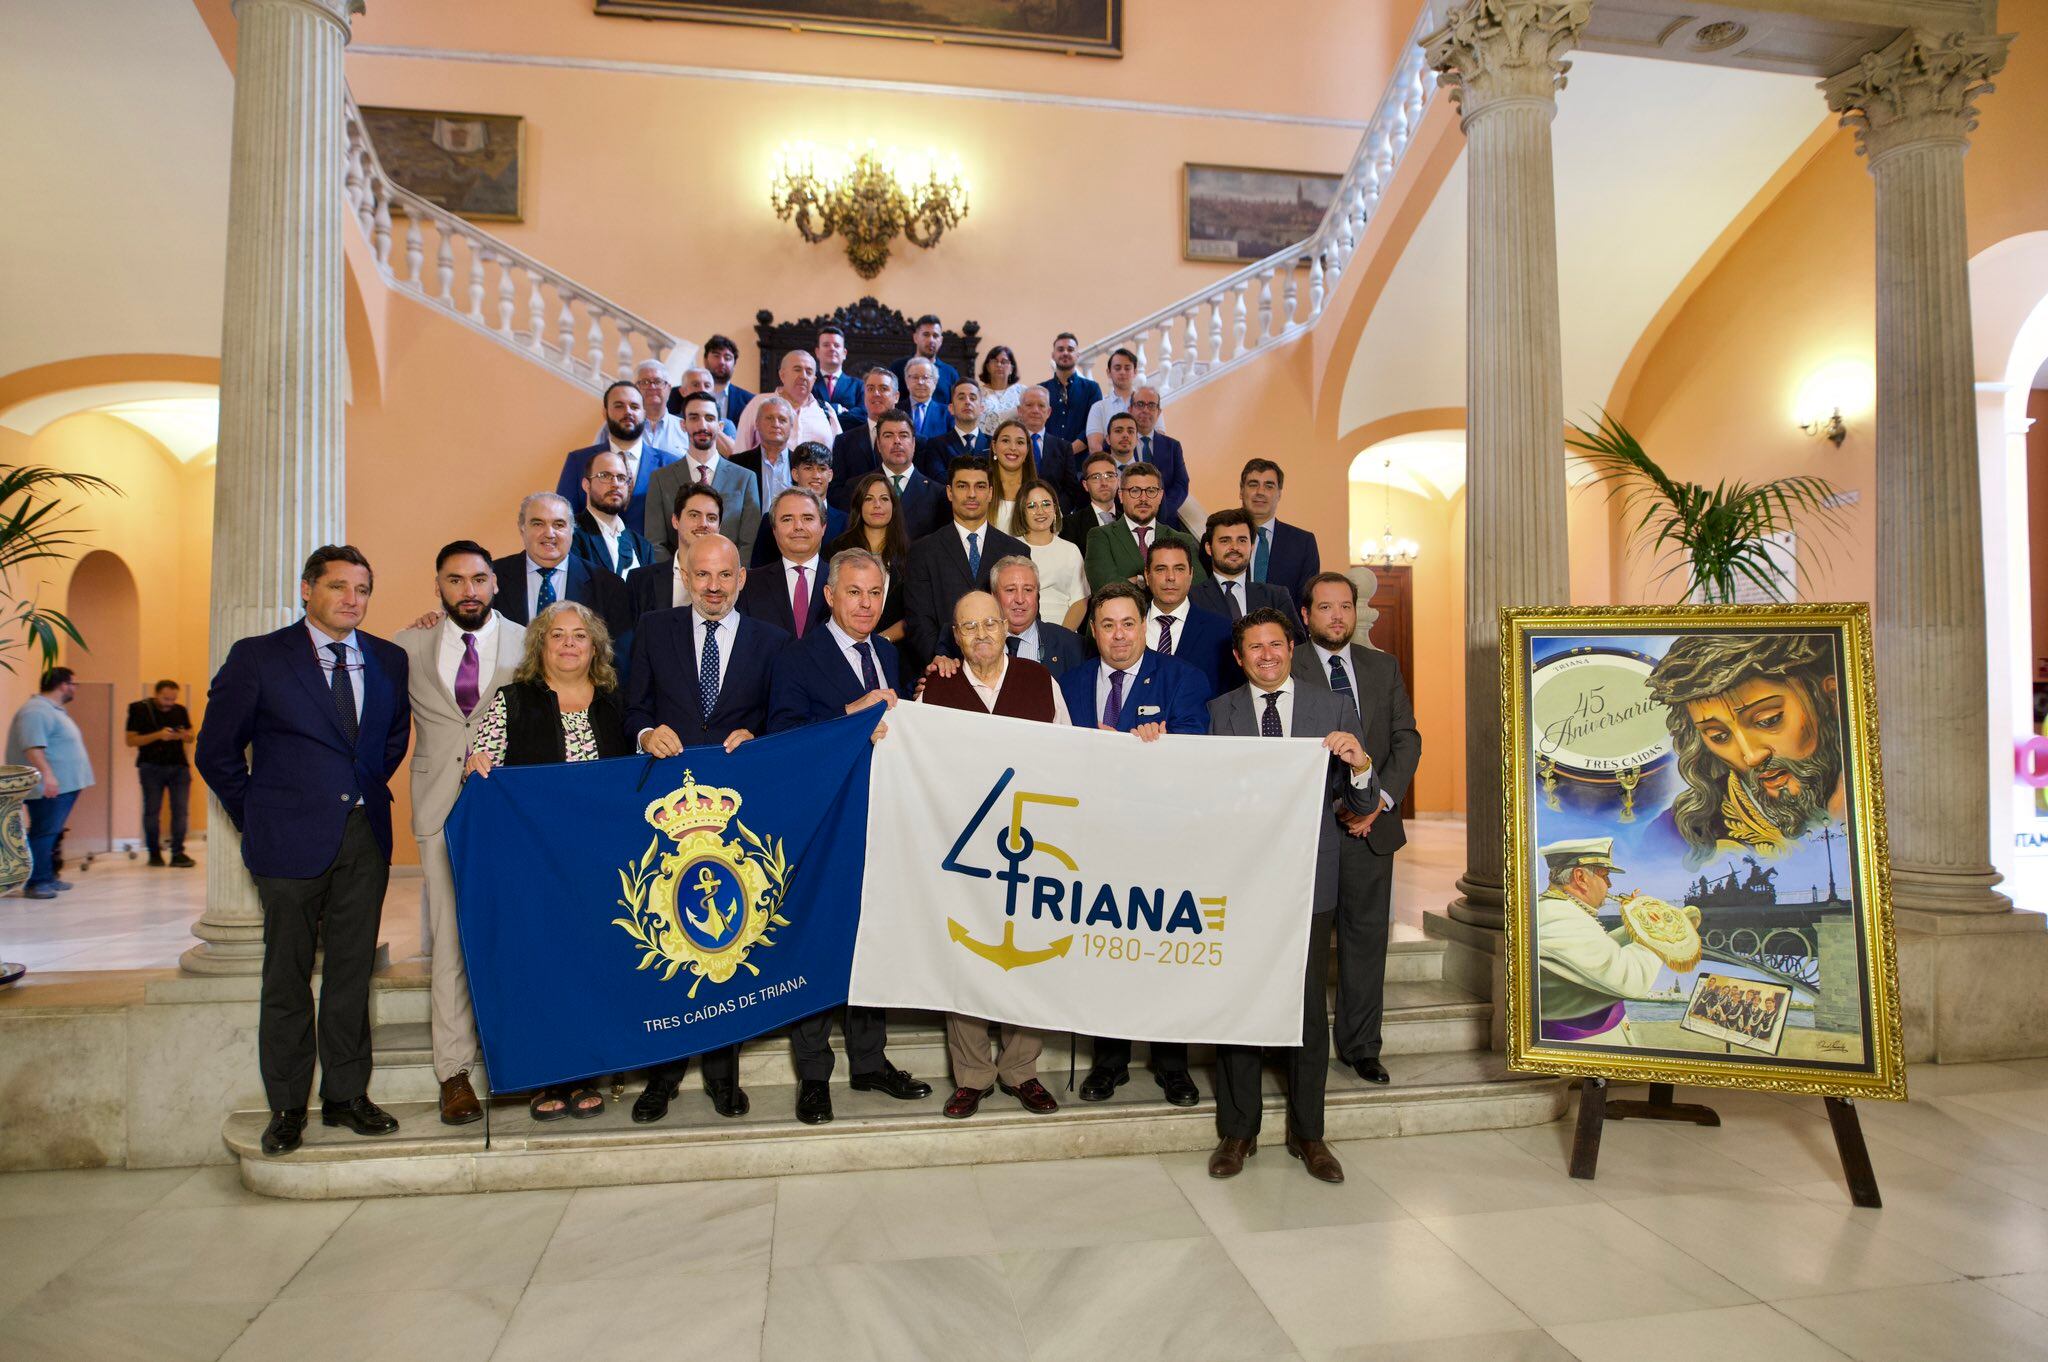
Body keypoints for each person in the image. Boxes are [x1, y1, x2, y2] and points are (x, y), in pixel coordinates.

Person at [195, 546, 411, 1157]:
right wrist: (256, 815)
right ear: (306, 590)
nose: (352, 598)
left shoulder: (388, 660)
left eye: (362, 589)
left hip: (364, 839)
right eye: (339, 586)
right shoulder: (260, 658)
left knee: (350, 973)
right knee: (286, 976)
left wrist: (360, 790)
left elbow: (390, 740)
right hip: (286, 841)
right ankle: (288, 1105)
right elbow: (215, 752)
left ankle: (346, 1097)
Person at [1206, 607, 1378, 1185]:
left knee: (1306, 1008)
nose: (1267, 655)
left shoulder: (1329, 706)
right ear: (1239, 656)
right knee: (1241, 1004)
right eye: (1254, 647)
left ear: (1290, 648)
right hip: (1242, 883)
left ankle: (1310, 1134)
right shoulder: (1218, 713)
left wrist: (1359, 768)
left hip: (1310, 881)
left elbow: (1358, 805)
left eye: (1275, 645)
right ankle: (1239, 1130)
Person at [765, 548, 933, 1123]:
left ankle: (870, 1062)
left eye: (875, 594)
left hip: (880, 820)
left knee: (872, 944)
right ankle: (814, 1075)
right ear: (830, 595)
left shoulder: (887, 651)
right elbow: (782, 738)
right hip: (822, 823)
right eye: (854, 593)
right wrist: (847, 712)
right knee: (817, 944)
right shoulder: (797, 657)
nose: (866, 604)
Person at [626, 534, 786, 1123]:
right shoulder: (653, 629)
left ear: (741, 578)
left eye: (723, 576)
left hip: (736, 813)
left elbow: (781, 717)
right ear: (685, 577)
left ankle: (724, 1077)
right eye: (701, 576)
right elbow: (633, 708)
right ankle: (660, 1079)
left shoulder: (772, 641)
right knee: (669, 931)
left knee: (728, 940)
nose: (713, 587)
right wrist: (645, 735)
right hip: (666, 814)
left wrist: (759, 739)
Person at [461, 600, 633, 1121]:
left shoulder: (616, 704)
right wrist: (477, 765)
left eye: (580, 636)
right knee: (544, 964)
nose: (568, 645)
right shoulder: (513, 701)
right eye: (557, 636)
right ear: (540, 646)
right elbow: (481, 770)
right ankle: (545, 1075)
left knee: (593, 961)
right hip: (536, 866)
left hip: (600, 864)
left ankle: (588, 1071)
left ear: (595, 647)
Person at [1059, 583, 1210, 1105]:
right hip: (1095, 838)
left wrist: (1156, 746)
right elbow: (1056, 751)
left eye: (1128, 624)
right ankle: (1110, 1062)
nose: (1118, 635)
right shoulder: (1071, 682)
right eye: (1107, 625)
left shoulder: (1182, 678)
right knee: (1105, 951)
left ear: (1145, 627)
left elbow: (1197, 744)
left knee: (1162, 949)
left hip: (1159, 837)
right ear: (1093, 630)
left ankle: (1172, 1066)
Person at [919, 591, 1064, 1119]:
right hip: (964, 845)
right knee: (968, 958)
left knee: (1027, 953)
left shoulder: (1039, 680)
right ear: (955, 637)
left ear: (1007, 627)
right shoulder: (936, 685)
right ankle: (973, 1073)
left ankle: (1021, 1069)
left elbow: (1068, 754)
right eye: (967, 627)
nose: (980, 634)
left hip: (1032, 845)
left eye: (989, 624)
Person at [395, 541, 524, 1126]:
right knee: (449, 939)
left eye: (478, 579)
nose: (467, 590)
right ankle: (454, 1073)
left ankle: (520, 1059)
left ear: (495, 583)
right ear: (439, 587)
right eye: (454, 581)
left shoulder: (529, 641)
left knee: (513, 934)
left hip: (508, 810)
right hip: (439, 807)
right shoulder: (408, 645)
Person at [1293, 571, 1421, 1083]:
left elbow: (1405, 739)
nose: (1337, 616)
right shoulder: (1287, 663)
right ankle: (1300, 1049)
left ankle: (1362, 1046)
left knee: (1366, 941)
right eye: (1324, 608)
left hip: (1373, 829)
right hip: (1313, 830)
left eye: (1344, 606)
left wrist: (1380, 801)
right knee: (1305, 945)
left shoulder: (1381, 665)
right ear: (1306, 616)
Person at [1533, 838, 1674, 1045]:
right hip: (1586, 1047)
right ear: (1580, 877)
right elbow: (1632, 979)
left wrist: (1636, 923)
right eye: (1605, 876)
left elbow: (1599, 949)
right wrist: (1660, 929)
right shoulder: (1560, 918)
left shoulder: (1561, 910)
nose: (1610, 885)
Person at [901, 457, 1028, 680]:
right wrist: (939, 661)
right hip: (943, 671)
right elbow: (919, 620)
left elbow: (1022, 614)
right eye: (962, 486)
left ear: (990, 492)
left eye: (979, 486)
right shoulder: (923, 551)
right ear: (949, 492)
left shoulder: (1016, 551)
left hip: (1003, 671)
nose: (971, 494)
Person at [490, 493, 631, 642]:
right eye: (538, 524)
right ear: (522, 528)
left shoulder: (608, 586)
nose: (549, 534)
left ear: (572, 530)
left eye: (559, 525)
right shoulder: (493, 577)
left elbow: (618, 657)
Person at [645, 390, 762, 564]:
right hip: (676, 583)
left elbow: (749, 543)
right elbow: (655, 543)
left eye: (709, 418)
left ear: (720, 426)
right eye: (694, 418)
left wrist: (731, 579)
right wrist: (679, 577)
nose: (702, 425)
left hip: (730, 583)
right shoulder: (660, 479)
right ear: (683, 425)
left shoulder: (745, 478)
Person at [9, 668, 93, 898]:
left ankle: (46, 876)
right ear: (64, 685)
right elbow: (33, 747)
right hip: (50, 785)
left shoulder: (52, 710)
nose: (75, 689)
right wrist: (48, 775)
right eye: (74, 684)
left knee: (51, 831)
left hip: (64, 784)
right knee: (44, 831)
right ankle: (37, 882)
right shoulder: (36, 710)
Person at [555, 381, 676, 528]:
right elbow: (564, 518)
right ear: (605, 412)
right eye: (619, 406)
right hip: (591, 550)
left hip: (650, 551)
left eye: (634, 406)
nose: (628, 412)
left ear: (644, 413)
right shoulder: (578, 461)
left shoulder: (670, 464)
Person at [1083, 462, 1207, 591]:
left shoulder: (1182, 539)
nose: (1143, 498)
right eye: (1135, 491)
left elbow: (1199, 586)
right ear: (1121, 495)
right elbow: (1104, 586)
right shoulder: (1101, 536)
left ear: (1160, 496)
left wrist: (1137, 580)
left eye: (1151, 491)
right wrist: (1160, 583)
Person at [1142, 539, 1234, 701]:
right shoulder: (1125, 627)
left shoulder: (1221, 631)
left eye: (1179, 569)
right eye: (1161, 569)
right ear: (1147, 575)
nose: (1170, 577)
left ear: (1190, 574)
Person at [825, 471, 912, 641]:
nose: (877, 505)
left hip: (895, 651)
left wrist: (880, 642)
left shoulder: (911, 555)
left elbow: (915, 614)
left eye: (884, 499)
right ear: (859, 505)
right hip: (842, 646)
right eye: (869, 499)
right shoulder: (837, 549)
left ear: (894, 506)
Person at [737, 488, 830, 637]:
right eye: (787, 519)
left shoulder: (843, 582)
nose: (798, 526)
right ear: (774, 530)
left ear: (823, 527)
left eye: (807, 518)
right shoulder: (749, 584)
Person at [627, 483, 726, 619]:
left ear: (719, 527)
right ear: (675, 521)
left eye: (711, 518)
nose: (703, 524)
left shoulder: (735, 584)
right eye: (694, 515)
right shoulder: (641, 581)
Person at [125, 679, 194, 868]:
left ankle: (178, 853)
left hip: (178, 767)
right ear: (156, 694)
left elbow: (191, 735)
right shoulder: (140, 710)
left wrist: (180, 735)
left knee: (180, 811)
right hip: (151, 767)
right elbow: (131, 740)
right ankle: (154, 854)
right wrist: (159, 735)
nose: (169, 703)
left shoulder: (180, 710)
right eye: (165, 699)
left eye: (173, 699)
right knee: (152, 811)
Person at [1193, 508, 1298, 631]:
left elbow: (1295, 643)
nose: (1234, 547)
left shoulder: (1276, 597)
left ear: (1252, 546)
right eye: (1225, 541)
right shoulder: (1191, 598)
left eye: (1242, 540)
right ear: (1209, 548)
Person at [1240, 458, 1321, 605]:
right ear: (1241, 491)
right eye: (1253, 485)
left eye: (1269, 486)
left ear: (1279, 494)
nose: (1260, 492)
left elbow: (1306, 603)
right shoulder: (1220, 537)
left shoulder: (1303, 543)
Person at [752, 442, 846, 566]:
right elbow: (759, 568)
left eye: (822, 469)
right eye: (808, 468)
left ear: (830, 475)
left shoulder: (846, 522)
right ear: (795, 474)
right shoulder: (770, 519)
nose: (816, 475)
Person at [990, 555, 1085, 676]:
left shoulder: (1073, 646)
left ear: (1037, 595)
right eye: (1010, 590)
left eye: (1028, 590)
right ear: (993, 596)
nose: (1020, 599)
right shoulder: (974, 645)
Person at [571, 449, 657, 578]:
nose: (615, 484)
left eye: (621, 478)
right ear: (586, 485)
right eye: (605, 476)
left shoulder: (642, 546)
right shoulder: (571, 535)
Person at [861, 410, 946, 540]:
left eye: (903, 435)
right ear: (878, 444)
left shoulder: (937, 493)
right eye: (888, 435)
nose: (897, 441)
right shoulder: (857, 487)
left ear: (914, 443)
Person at [737, 349, 843, 453]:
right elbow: (740, 451)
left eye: (809, 372)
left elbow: (840, 455)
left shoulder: (826, 411)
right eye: (797, 369)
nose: (803, 376)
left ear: (814, 380)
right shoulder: (759, 404)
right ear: (782, 375)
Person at [1013, 485, 1089, 630]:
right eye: (1031, 506)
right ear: (1022, 512)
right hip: (1019, 630)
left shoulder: (1070, 550)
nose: (1040, 511)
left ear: (1055, 508)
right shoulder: (1011, 548)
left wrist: (1061, 638)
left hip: (1064, 631)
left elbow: (1080, 600)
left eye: (1046, 504)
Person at [826, 367, 902, 507]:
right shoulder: (844, 441)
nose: (876, 393)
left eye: (883, 388)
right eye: (870, 388)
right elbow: (835, 491)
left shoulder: (917, 441)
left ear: (896, 396)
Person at [594, 359, 685, 458]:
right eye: (645, 382)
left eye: (658, 381)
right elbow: (596, 460)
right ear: (635, 389)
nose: (652, 387)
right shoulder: (613, 427)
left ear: (669, 388)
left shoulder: (685, 429)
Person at [1126, 387, 1190, 525]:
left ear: (1159, 412)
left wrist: (1161, 511)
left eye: (1151, 405)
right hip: (1128, 522)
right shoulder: (1116, 445)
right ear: (1130, 409)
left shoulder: (1173, 447)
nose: (1145, 410)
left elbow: (1181, 484)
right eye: (1140, 404)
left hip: (1165, 523)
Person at [732, 394, 802, 510]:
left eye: (782, 420)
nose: (775, 424)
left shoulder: (801, 464)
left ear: (791, 426)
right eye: (769, 418)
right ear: (757, 424)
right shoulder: (738, 464)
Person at [1085, 347, 1160, 454]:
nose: (1122, 372)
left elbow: (1159, 439)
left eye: (1127, 368)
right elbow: (1095, 448)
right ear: (1109, 372)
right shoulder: (1098, 408)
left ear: (1135, 372)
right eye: (1117, 368)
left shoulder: (1150, 403)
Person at [1041, 330, 1102, 461]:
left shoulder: (1092, 389)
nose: (1065, 353)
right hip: (1049, 461)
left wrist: (1067, 452)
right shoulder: (1041, 390)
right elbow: (1037, 425)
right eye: (1060, 349)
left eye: (1070, 349)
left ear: (1077, 355)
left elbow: (1093, 426)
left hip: (1081, 464)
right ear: (1053, 355)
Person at [1015, 385, 1077, 509]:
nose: (1035, 410)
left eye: (1041, 405)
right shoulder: (1010, 446)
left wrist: (1054, 511)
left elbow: (1071, 489)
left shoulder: (1063, 448)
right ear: (1019, 411)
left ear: (1049, 412)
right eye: (1029, 405)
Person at [917, 378, 990, 477]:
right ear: (951, 409)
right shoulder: (936, 445)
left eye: (972, 398)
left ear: (981, 408)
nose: (967, 402)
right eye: (961, 398)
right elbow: (938, 479)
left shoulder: (993, 444)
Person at [987, 418, 1044, 535]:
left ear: (1028, 449)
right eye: (1005, 441)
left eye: (1020, 442)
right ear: (994, 446)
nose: (1013, 448)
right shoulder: (981, 489)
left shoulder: (1041, 492)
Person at [890, 313, 959, 404]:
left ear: (941, 341)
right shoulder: (897, 367)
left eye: (935, 336)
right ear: (915, 338)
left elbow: (955, 408)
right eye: (926, 335)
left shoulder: (950, 373)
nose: (931, 340)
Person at [1062, 452, 1122, 552]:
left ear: (1118, 481)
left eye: (1109, 476)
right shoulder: (1069, 525)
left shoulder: (1130, 520)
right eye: (1096, 477)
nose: (1104, 483)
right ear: (1085, 485)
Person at [671, 366, 740, 453]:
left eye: (707, 385)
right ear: (683, 391)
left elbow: (734, 457)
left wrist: (714, 427)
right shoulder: (672, 423)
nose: (702, 390)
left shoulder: (726, 425)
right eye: (696, 385)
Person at [699, 333, 754, 425]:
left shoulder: (749, 401)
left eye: (727, 358)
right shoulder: (683, 394)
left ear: (734, 364)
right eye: (716, 356)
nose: (721, 362)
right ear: (705, 360)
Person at [813, 324, 862, 423]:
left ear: (844, 353)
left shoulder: (858, 385)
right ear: (817, 352)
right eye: (826, 345)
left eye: (836, 345)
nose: (832, 348)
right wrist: (838, 409)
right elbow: (804, 411)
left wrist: (822, 412)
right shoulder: (808, 383)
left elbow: (862, 416)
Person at [975, 345, 1025, 434]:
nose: (999, 365)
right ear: (987, 367)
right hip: (984, 444)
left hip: (1015, 444)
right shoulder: (977, 393)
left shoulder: (1022, 392)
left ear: (1011, 369)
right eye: (994, 361)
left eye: (1004, 361)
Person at [902, 358, 949, 442]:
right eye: (915, 377)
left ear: (935, 382)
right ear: (906, 381)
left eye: (925, 377)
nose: (920, 382)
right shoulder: (896, 410)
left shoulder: (947, 413)